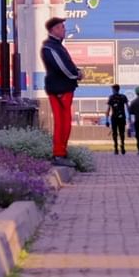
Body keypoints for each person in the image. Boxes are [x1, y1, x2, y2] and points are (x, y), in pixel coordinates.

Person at [39, 15, 82, 167]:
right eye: (61, 27)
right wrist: (77, 74)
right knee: (62, 122)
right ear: (54, 29)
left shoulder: (56, 46)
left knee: (64, 122)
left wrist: (75, 71)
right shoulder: (51, 47)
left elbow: (65, 65)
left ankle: (61, 152)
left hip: (61, 87)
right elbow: (62, 66)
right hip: (60, 88)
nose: (64, 29)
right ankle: (59, 154)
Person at [106, 82, 130, 155]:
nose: (112, 91)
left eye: (112, 89)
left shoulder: (111, 97)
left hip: (114, 117)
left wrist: (107, 120)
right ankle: (122, 146)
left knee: (115, 133)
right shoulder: (123, 97)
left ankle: (116, 148)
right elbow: (128, 107)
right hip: (122, 117)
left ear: (114, 89)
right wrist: (129, 116)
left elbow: (108, 109)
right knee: (122, 132)